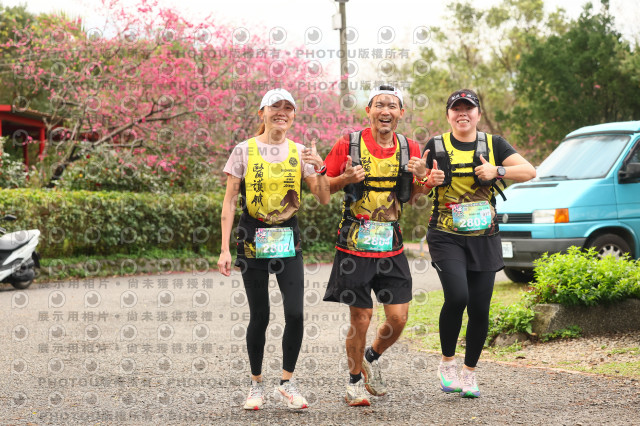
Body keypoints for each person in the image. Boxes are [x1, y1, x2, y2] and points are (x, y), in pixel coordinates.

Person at [417, 89, 536, 398]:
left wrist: (498, 170)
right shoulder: (435, 145)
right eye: (456, 109)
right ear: (448, 115)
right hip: (446, 234)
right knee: (458, 296)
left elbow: (530, 171)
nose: (462, 114)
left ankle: (469, 373)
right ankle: (447, 363)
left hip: (484, 236)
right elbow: (415, 189)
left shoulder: (494, 144)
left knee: (480, 308)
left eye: (468, 108)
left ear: (478, 114)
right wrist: (426, 182)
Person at [217, 88, 330, 410]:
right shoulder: (243, 150)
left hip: (287, 238)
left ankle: (287, 382)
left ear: (293, 115)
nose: (282, 112)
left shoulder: (300, 152)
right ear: (262, 112)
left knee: (295, 313)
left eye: (288, 108)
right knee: (260, 315)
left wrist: (320, 167)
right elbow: (229, 201)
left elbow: (323, 197)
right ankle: (256, 385)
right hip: (252, 237)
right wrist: (224, 249)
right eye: (275, 106)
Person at [322, 85, 429, 406]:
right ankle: (354, 381)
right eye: (379, 105)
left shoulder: (410, 147)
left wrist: (424, 179)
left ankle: (372, 356)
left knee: (398, 318)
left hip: (391, 244)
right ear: (368, 110)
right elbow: (323, 187)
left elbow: (415, 196)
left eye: (392, 106)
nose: (386, 111)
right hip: (354, 245)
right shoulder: (349, 144)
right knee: (362, 317)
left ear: (401, 113)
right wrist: (345, 179)